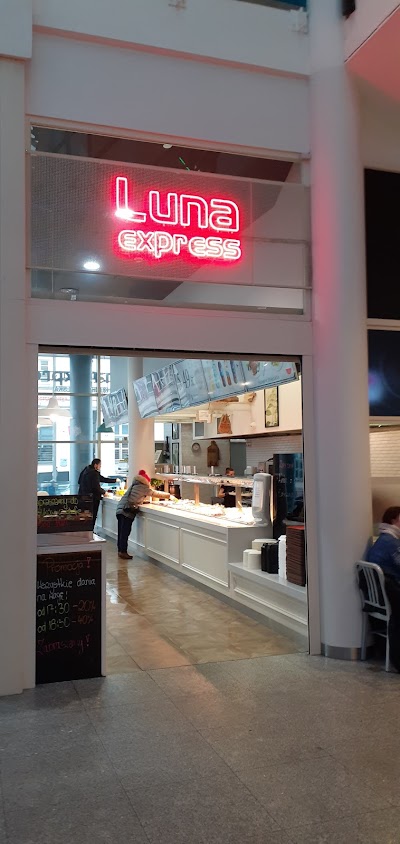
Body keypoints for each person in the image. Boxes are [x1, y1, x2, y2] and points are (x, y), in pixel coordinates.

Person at [366, 507, 400, 671]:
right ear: (394, 520)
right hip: (390, 596)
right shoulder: (391, 543)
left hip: (378, 597)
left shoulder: (382, 540)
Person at [116, 469, 172, 559]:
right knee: (125, 532)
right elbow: (154, 493)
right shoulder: (143, 487)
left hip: (120, 508)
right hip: (127, 510)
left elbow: (134, 497)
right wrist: (169, 495)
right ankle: (123, 551)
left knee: (121, 531)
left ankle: (120, 550)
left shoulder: (134, 485)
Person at [78, 458, 116, 530]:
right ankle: (90, 530)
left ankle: (84, 530)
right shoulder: (94, 473)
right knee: (93, 515)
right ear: (95, 465)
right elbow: (96, 487)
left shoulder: (85, 471)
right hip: (93, 498)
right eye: (100, 465)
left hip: (83, 496)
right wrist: (104, 492)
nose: (100, 467)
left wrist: (114, 480)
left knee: (85, 515)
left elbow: (79, 481)